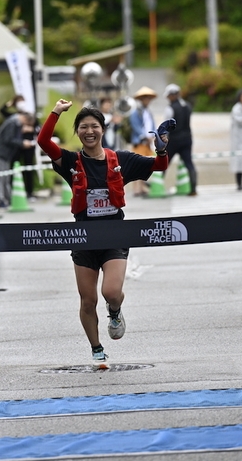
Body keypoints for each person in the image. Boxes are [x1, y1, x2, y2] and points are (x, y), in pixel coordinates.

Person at [37, 98, 170, 362]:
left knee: (110, 292)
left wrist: (162, 150)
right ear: (78, 132)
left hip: (114, 237)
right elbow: (43, 142)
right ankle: (97, 348)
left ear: (103, 129)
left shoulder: (121, 160)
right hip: (83, 238)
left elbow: (158, 167)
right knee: (88, 301)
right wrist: (56, 112)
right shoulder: (71, 162)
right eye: (84, 127)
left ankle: (115, 309)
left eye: (94, 126)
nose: (89, 131)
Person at [0, 112, 35, 208]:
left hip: (5, 155)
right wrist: (22, 143)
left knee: (5, 178)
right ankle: (0, 199)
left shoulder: (15, 122)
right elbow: (8, 139)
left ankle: (8, 198)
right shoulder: (12, 123)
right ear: (25, 119)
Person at [163, 83, 198, 196]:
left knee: (164, 162)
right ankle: (193, 188)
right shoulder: (187, 106)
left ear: (172, 95)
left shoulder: (170, 108)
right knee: (189, 163)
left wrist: (163, 139)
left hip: (174, 140)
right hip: (187, 139)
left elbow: (166, 126)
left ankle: (156, 184)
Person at [128, 86, 158, 196]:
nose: (147, 101)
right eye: (146, 98)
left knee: (145, 166)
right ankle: (136, 188)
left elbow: (152, 125)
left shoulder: (148, 112)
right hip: (139, 142)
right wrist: (145, 136)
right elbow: (136, 126)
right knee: (137, 166)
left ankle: (142, 187)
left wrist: (154, 135)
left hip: (148, 143)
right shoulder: (136, 112)